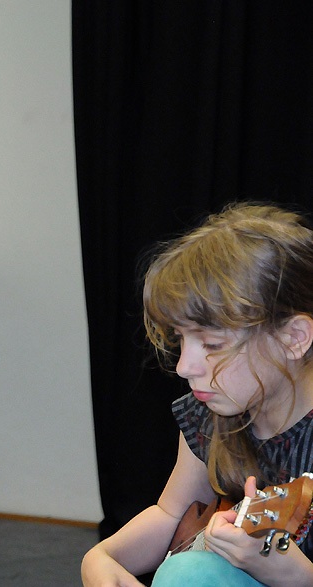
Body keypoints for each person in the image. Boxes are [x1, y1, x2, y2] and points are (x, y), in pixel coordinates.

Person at [81, 202, 313, 586]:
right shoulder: (212, 413)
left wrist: (297, 575)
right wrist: (102, 557)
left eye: (211, 343)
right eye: (181, 340)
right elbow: (170, 514)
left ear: (293, 338)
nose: (184, 366)